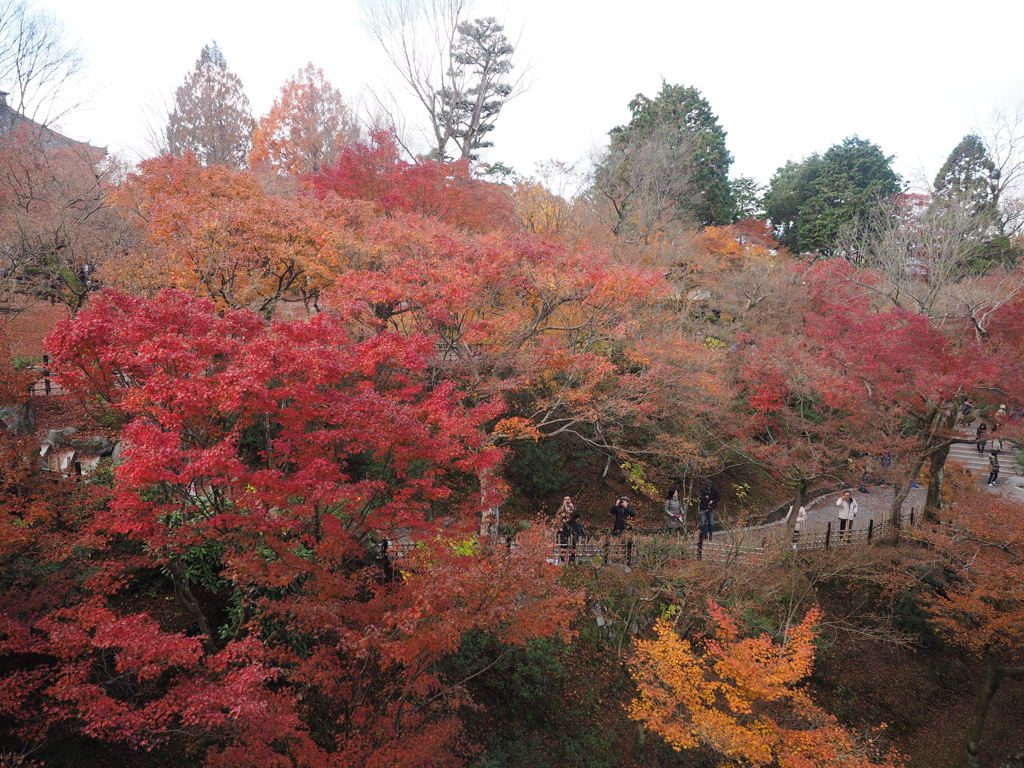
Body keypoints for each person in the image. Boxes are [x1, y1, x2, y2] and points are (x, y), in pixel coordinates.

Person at [557, 496, 585, 562]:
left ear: (570, 500)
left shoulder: (573, 508)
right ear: (563, 500)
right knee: (563, 542)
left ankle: (572, 559)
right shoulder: (561, 509)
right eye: (566, 499)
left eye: (568, 499)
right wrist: (562, 521)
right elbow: (557, 517)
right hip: (563, 527)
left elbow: (578, 515)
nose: (567, 501)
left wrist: (572, 508)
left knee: (573, 543)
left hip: (573, 527)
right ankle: (563, 559)